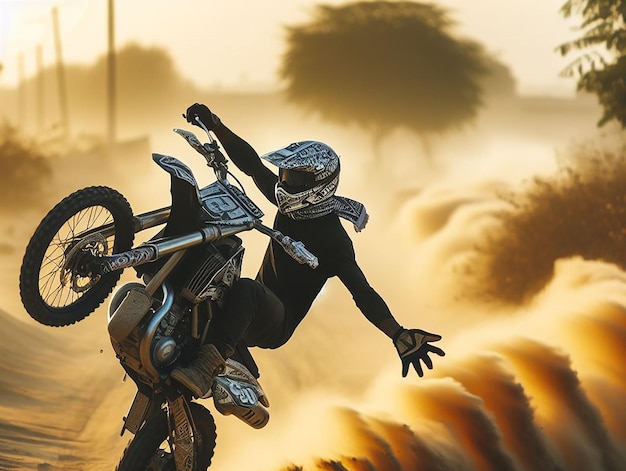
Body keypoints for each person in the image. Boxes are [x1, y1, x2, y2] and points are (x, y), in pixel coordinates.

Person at [171, 103, 445, 397]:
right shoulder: (290, 205)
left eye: (295, 178)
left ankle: (204, 370)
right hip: (246, 303)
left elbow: (363, 293)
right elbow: (251, 165)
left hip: (275, 321)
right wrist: (215, 124)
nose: (285, 182)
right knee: (218, 256)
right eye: (286, 174)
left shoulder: (334, 241)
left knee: (248, 290)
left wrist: (399, 334)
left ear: (319, 185)